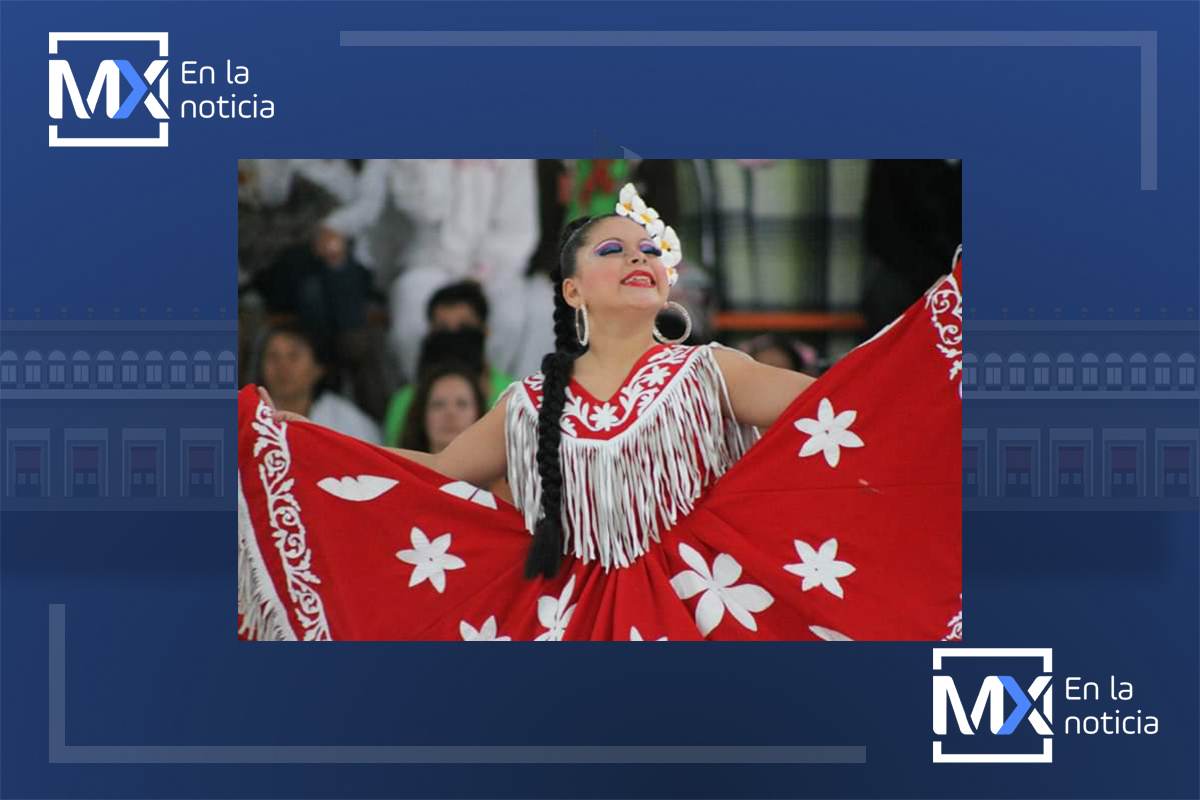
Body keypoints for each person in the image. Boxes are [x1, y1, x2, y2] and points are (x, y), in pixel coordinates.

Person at [239, 184, 962, 641]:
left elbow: (851, 411)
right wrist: (291, 436)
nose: (637, 256)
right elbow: (432, 474)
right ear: (573, 291)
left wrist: (944, 331)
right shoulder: (525, 405)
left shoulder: (710, 371)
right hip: (566, 619)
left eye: (649, 249)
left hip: (708, 611)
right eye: (612, 249)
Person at [382, 280, 516, 447]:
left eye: (464, 327)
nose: (453, 337)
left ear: (485, 331)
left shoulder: (513, 396)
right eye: (442, 329)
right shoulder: (405, 401)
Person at [256, 322, 381, 445]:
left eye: (293, 356)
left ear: (318, 368)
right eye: (273, 356)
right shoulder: (248, 417)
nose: (282, 367)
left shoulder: (350, 423)